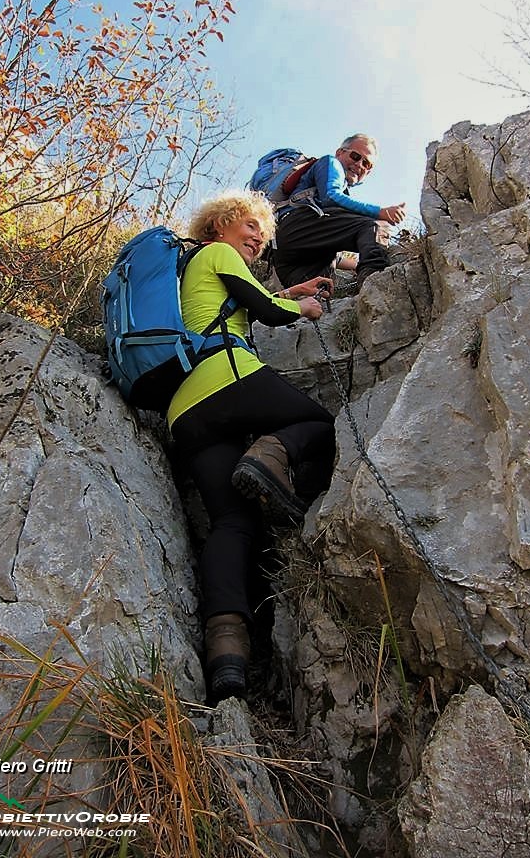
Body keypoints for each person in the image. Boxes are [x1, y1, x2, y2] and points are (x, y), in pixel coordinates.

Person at [167, 189, 336, 703]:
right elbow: (261, 307)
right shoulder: (213, 251)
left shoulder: (192, 274)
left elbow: (241, 300)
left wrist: (294, 290)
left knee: (232, 523)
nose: (259, 235)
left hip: (185, 411)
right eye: (251, 225)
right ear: (220, 224)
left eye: (264, 230)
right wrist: (303, 305)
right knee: (320, 422)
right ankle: (271, 459)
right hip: (225, 377)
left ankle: (227, 656)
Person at [272, 133, 406, 289]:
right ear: (340, 153)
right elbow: (331, 195)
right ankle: (376, 283)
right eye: (356, 156)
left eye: (367, 164)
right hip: (296, 224)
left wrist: (356, 265)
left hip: (286, 250)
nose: (360, 165)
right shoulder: (330, 162)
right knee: (375, 226)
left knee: (317, 295)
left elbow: (329, 240)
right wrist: (380, 212)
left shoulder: (333, 217)